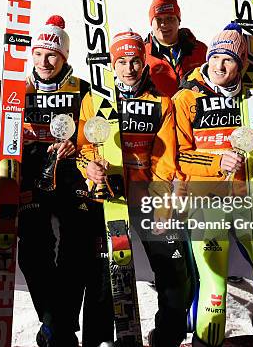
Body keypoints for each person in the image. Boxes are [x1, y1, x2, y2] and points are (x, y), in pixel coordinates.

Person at [79, 29, 191, 347]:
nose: (129, 68)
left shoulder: (160, 103)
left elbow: (166, 160)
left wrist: (162, 208)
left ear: (144, 63)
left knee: (174, 269)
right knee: (104, 276)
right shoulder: (95, 101)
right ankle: (99, 341)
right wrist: (90, 168)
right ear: (112, 65)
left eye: (135, 61)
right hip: (109, 199)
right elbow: (84, 146)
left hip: (147, 199)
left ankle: (166, 337)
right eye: (122, 61)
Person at [174, 23, 253, 347]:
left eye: (229, 60)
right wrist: (216, 162)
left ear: (241, 66)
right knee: (215, 286)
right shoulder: (186, 97)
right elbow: (177, 157)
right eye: (216, 57)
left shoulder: (250, 101)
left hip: (245, 201)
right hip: (206, 206)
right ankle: (207, 344)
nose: (219, 65)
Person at [17, 15, 91, 347]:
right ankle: (57, 325)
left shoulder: (82, 89)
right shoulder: (18, 90)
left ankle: (55, 326)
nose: (44, 62)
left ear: (64, 58)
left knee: (78, 243)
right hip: (31, 175)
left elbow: (96, 132)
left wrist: (79, 145)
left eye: (52, 55)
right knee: (33, 249)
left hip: (71, 173)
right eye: (38, 54)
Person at [145, 0, 207, 98]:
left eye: (170, 18)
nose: (164, 24)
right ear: (151, 23)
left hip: (194, 112)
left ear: (179, 21)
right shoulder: (142, 54)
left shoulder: (200, 50)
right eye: (158, 19)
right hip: (160, 113)